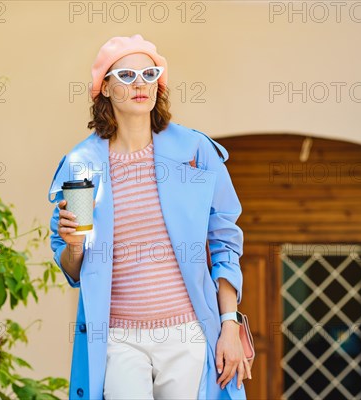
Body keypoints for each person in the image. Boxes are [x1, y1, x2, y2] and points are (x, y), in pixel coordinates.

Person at [47, 34, 250, 399]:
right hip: (119, 338)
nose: (140, 83)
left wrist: (229, 325)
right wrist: (75, 246)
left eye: (150, 73)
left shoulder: (196, 151)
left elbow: (224, 242)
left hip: (186, 333)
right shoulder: (81, 164)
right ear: (104, 88)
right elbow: (73, 269)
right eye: (126, 75)